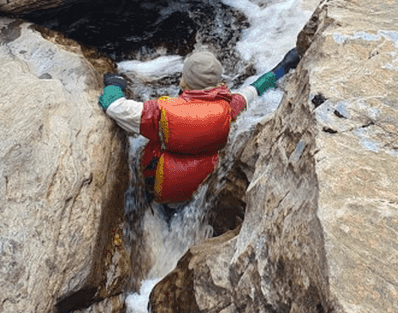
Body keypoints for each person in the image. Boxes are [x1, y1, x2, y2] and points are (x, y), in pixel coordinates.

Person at [97, 45, 299, 204]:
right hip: (200, 189)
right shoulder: (228, 107)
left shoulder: (161, 113)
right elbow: (255, 90)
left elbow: (115, 106)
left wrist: (114, 84)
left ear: (184, 81)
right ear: (219, 82)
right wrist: (285, 66)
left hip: (160, 186)